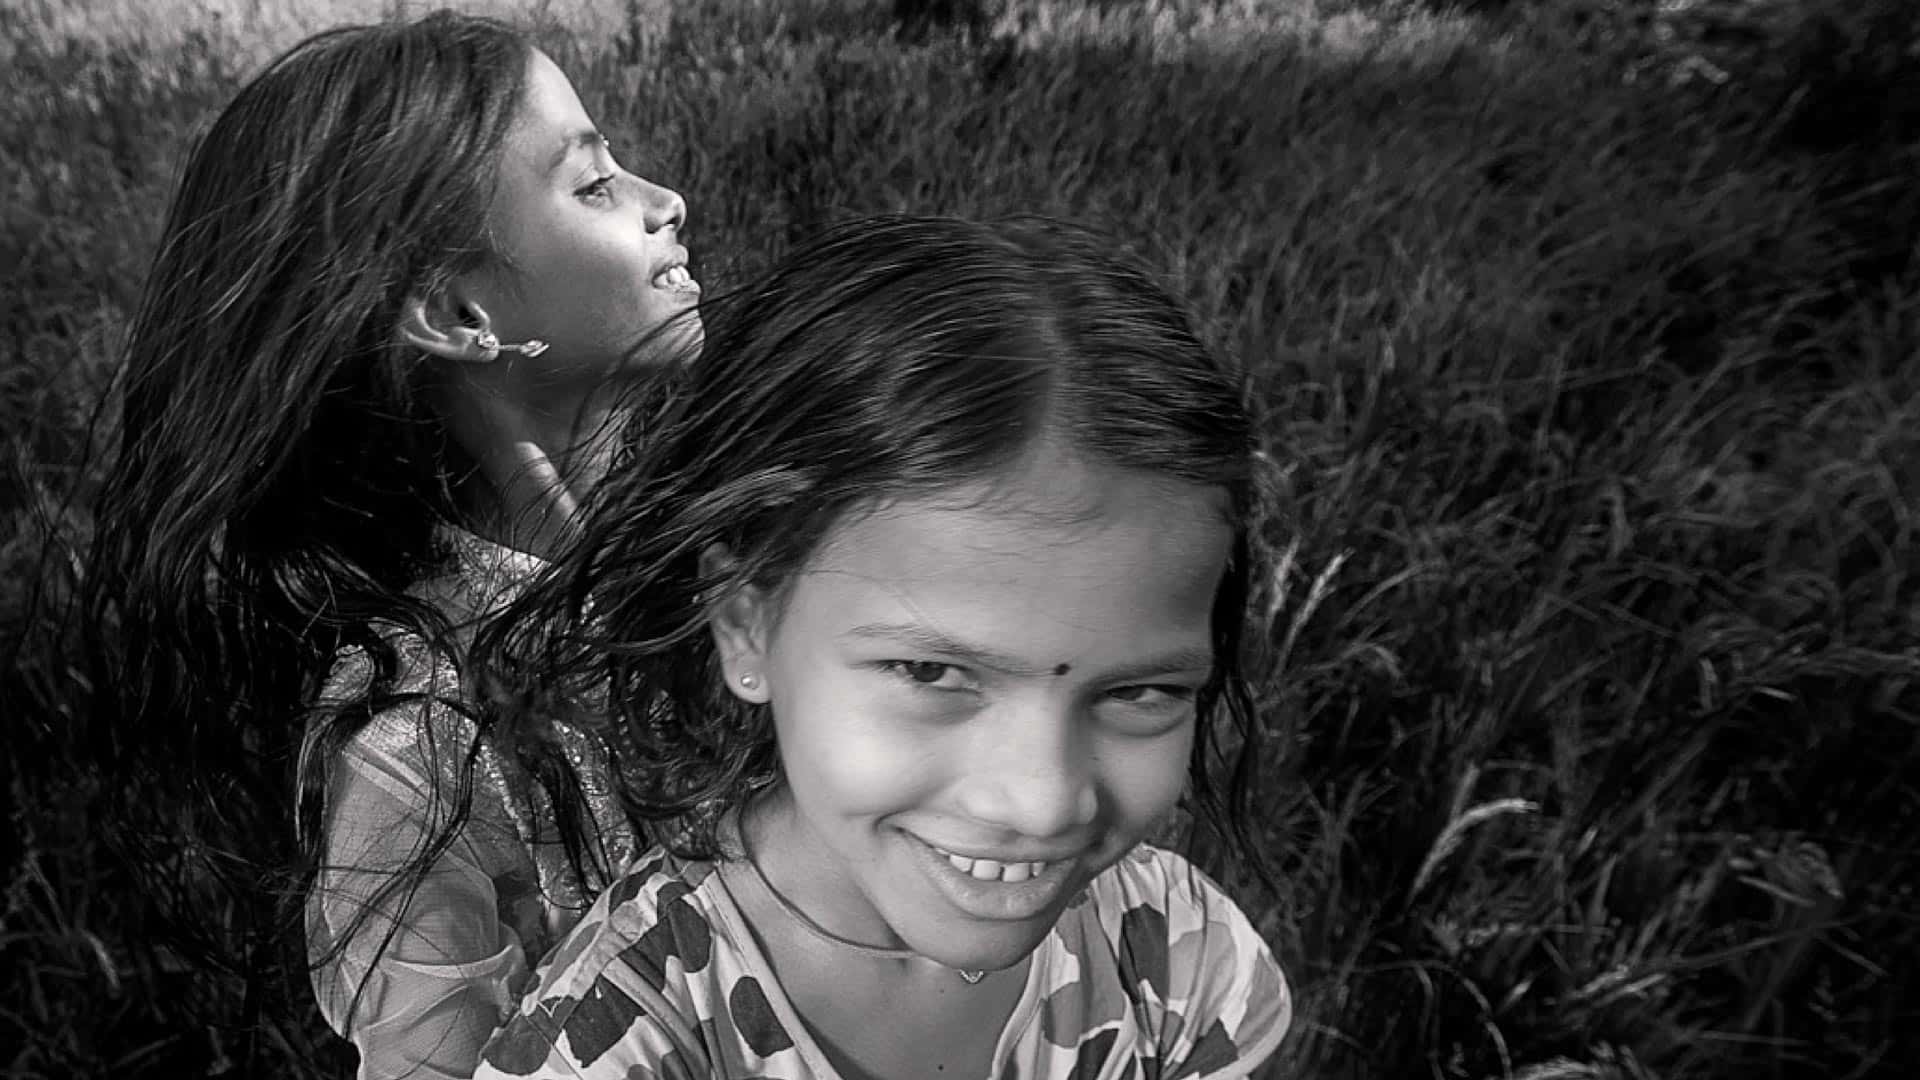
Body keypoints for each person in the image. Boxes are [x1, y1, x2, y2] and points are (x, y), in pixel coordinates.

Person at [467, 215, 1293, 1079]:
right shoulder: (615, 1049)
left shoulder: (1189, 969)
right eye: (933, 672)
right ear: (746, 620)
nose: (1043, 803)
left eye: (1139, 693)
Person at [76, 9, 701, 1077]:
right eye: (594, 186)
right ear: (458, 314)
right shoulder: (415, 749)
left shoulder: (719, 531)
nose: (666, 202)